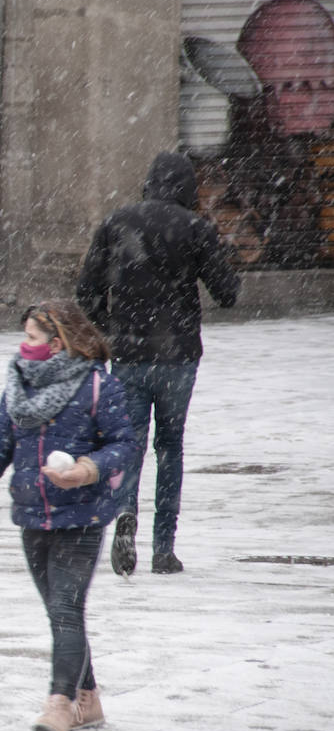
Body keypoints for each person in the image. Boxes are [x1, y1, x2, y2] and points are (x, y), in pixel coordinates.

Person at [0, 300, 140, 731]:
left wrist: (87, 469)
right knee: (62, 613)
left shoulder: (98, 385)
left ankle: (60, 704)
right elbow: (0, 438)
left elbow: (125, 444)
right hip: (31, 514)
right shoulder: (19, 383)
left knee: (64, 609)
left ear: (59, 342)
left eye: (32, 337)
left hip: (81, 515)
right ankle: (90, 699)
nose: (24, 345)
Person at [76, 151, 241, 576]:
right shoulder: (195, 228)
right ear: (187, 187)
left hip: (129, 354)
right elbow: (227, 292)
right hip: (178, 356)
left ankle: (125, 516)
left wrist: (111, 328)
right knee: (169, 448)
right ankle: (164, 548)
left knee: (128, 445)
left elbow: (87, 291)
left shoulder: (117, 222)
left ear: (150, 182)